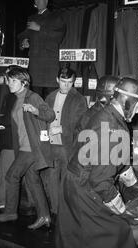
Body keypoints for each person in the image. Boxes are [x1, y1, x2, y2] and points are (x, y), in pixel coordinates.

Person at [53, 77, 138, 248]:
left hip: (77, 179)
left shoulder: (106, 114)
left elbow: (120, 161)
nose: (137, 112)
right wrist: (122, 209)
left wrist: (133, 183)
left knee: (90, 234)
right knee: (115, 231)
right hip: (86, 185)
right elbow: (102, 181)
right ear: (126, 100)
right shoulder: (113, 126)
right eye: (136, 106)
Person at [0, 66, 55, 230]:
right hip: (23, 146)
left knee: (11, 176)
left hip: (32, 147)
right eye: (9, 80)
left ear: (24, 82)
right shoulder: (16, 98)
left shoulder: (32, 97)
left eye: (13, 81)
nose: (9, 84)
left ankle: (10, 212)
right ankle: (45, 216)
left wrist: (35, 110)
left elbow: (50, 115)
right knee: (33, 181)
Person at [44, 66, 87, 217]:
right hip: (51, 144)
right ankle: (55, 211)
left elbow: (82, 124)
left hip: (68, 146)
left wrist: (61, 129)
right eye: (63, 81)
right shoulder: (50, 97)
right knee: (52, 179)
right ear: (57, 80)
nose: (67, 85)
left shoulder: (79, 99)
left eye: (70, 82)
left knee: (67, 181)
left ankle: (67, 212)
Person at [18, 0, 66, 98]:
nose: (38, 2)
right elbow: (24, 35)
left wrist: (40, 28)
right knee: (34, 96)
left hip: (50, 61)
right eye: (36, 0)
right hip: (35, 61)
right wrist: (24, 42)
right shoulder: (31, 18)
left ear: (46, 1)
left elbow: (59, 36)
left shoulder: (56, 17)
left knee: (51, 96)